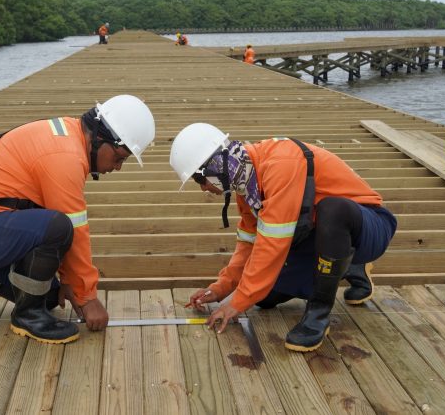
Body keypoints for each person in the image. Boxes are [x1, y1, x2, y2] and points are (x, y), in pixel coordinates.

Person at [0, 95, 155, 344]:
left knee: (50, 296)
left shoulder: (67, 134)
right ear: (100, 138)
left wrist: (70, 284)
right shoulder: (65, 158)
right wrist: (87, 298)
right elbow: (74, 230)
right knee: (59, 227)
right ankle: (27, 316)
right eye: (119, 158)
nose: (117, 167)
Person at [170, 123, 397, 352]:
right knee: (263, 297)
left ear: (216, 166)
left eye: (200, 180)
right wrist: (220, 289)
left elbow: (271, 246)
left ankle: (317, 315)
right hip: (318, 237)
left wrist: (236, 303)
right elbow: (249, 246)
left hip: (370, 226)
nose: (203, 189)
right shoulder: (246, 185)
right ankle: (346, 266)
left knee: (333, 210)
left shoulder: (281, 164)